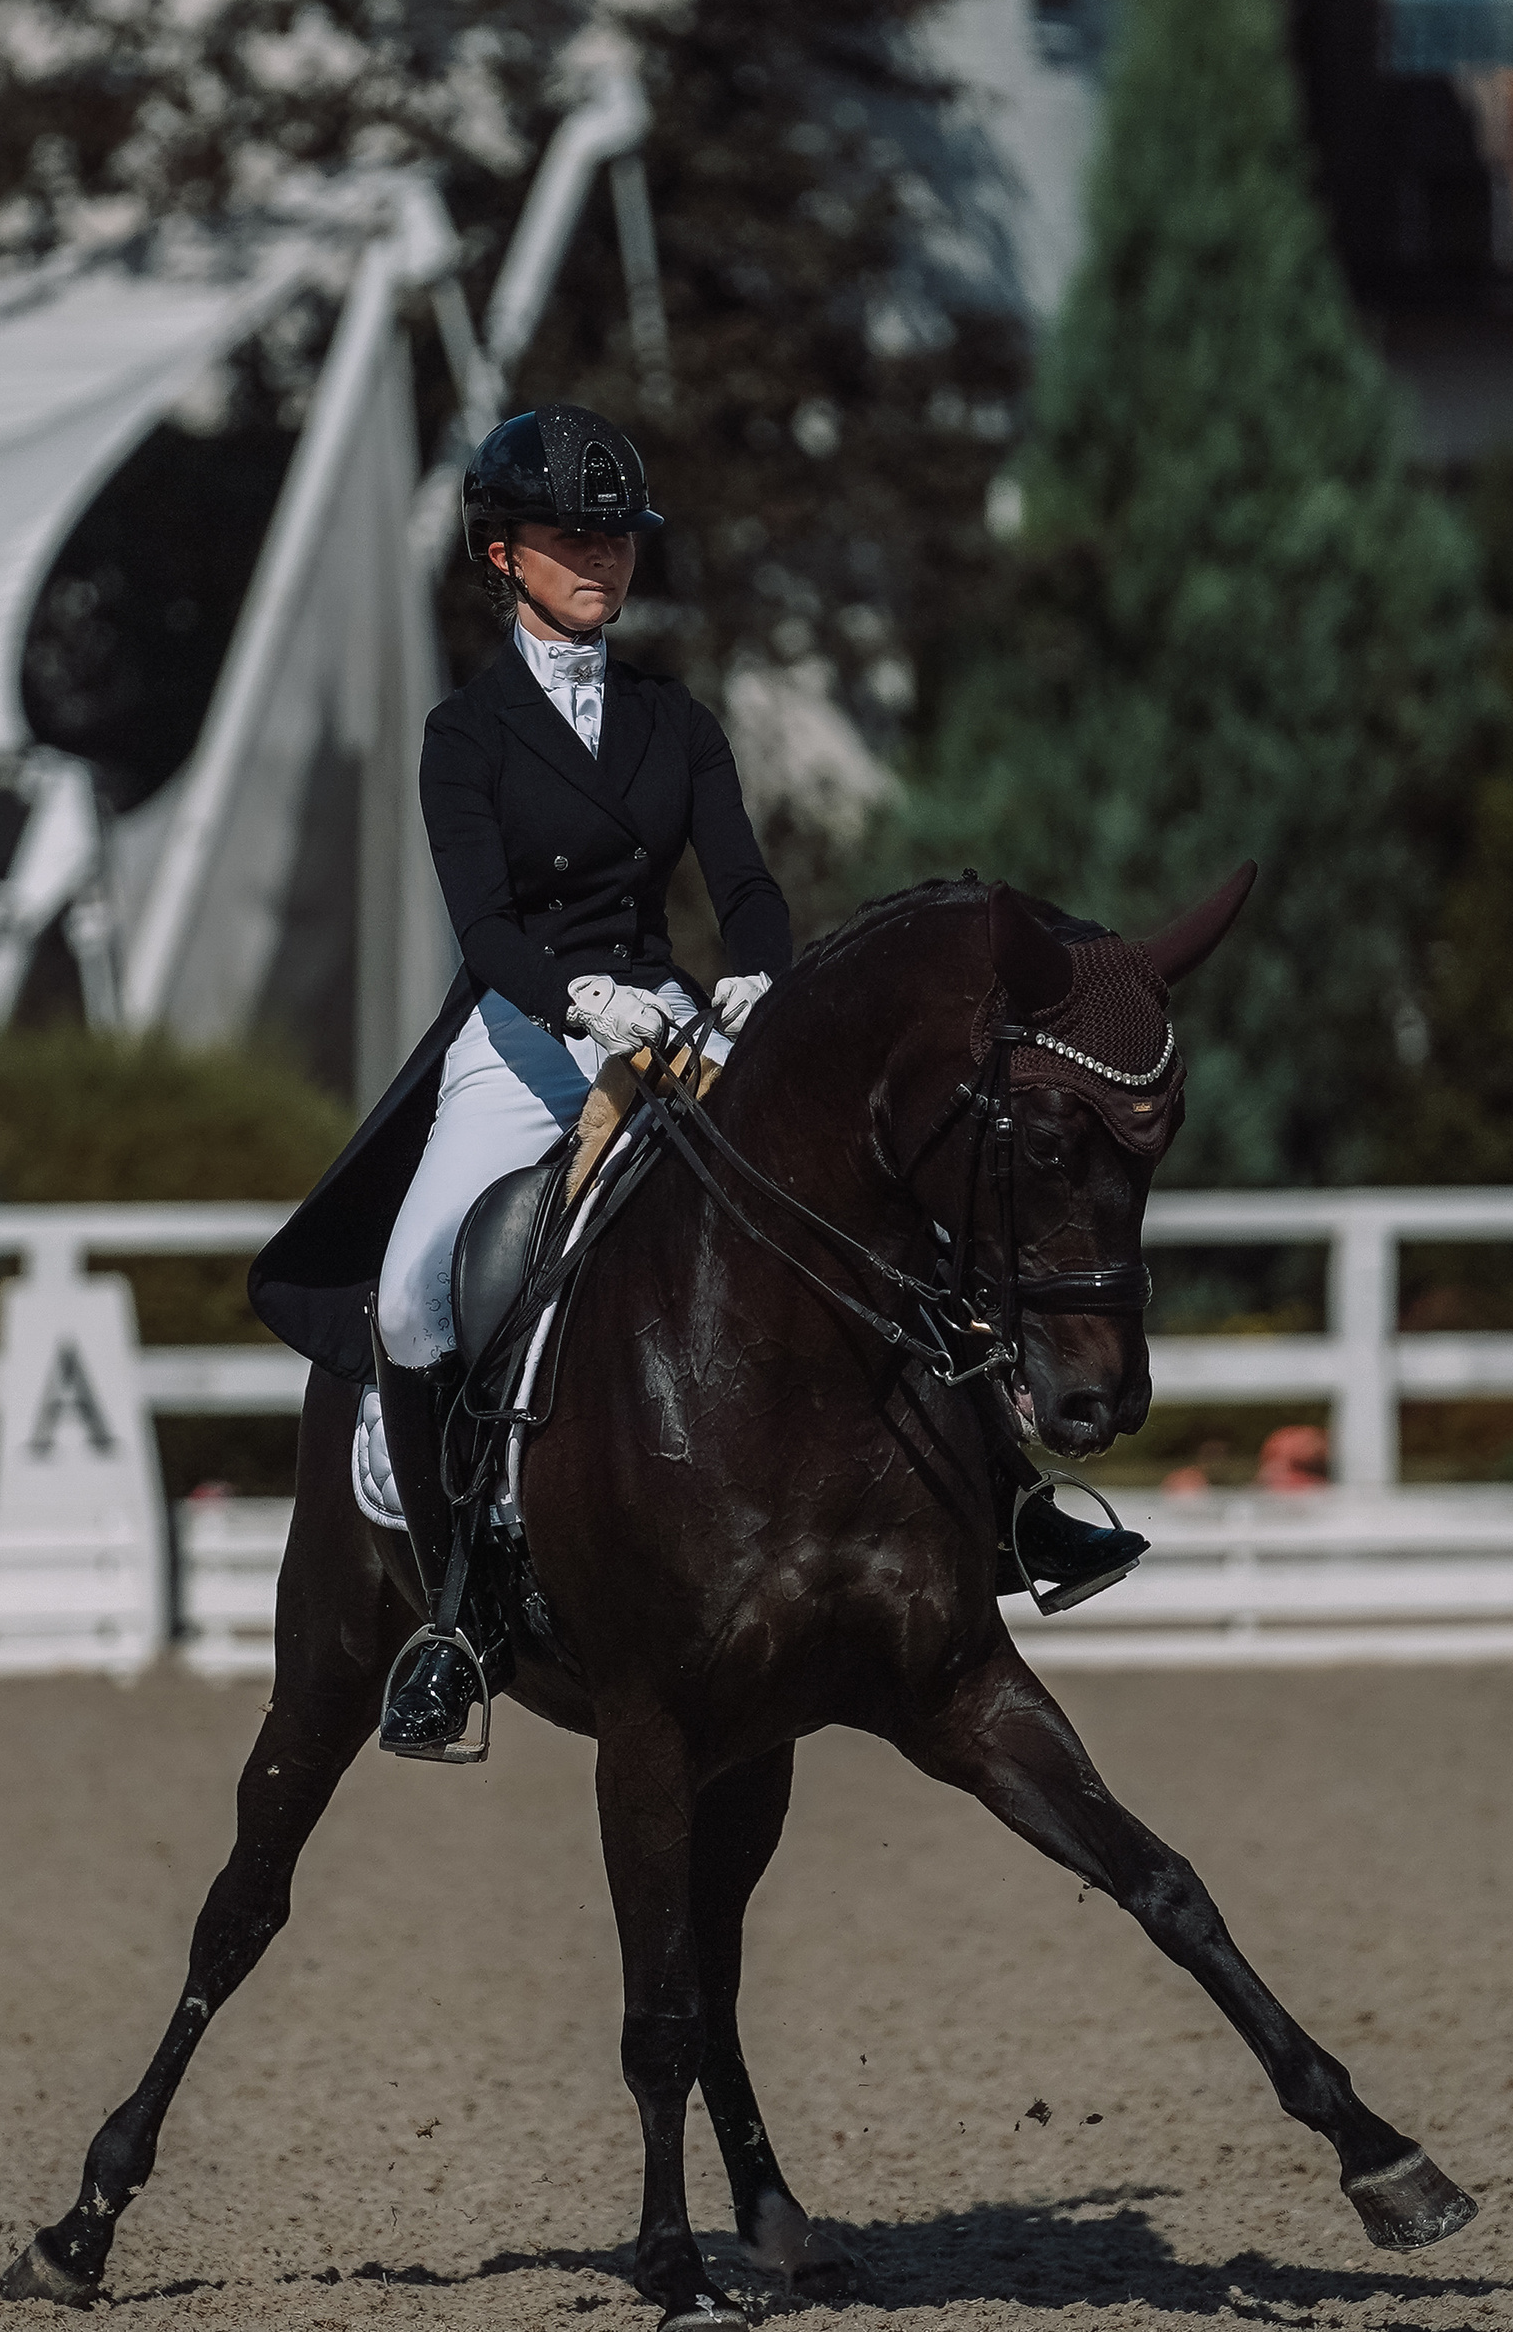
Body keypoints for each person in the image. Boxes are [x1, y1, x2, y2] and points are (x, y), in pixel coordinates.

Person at [246, 403, 1140, 1761]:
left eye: (616, 536)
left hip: (670, 1021)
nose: (601, 558)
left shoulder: (676, 723)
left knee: (873, 1202)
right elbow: (485, 925)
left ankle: (1012, 1502)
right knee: (423, 1289)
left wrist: (756, 980)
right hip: (525, 1040)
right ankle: (451, 1615)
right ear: (503, 554)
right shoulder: (465, 735)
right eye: (569, 535)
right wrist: (572, 997)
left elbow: (747, 887)